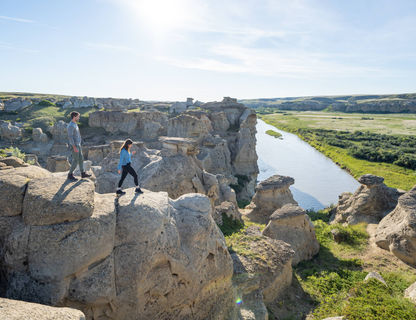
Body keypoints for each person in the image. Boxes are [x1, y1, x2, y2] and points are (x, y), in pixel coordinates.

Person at [67, 111, 91, 181]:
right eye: (78, 116)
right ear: (74, 117)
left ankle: (83, 173)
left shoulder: (75, 124)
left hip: (78, 145)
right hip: (74, 146)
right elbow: (70, 137)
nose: (79, 118)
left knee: (81, 159)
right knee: (75, 160)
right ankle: (70, 174)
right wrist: (74, 147)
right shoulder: (71, 125)